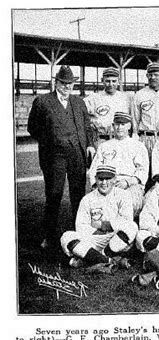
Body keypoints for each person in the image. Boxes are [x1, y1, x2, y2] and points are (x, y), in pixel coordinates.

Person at [27, 65, 94, 251]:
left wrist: (89, 144)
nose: (67, 87)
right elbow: (32, 127)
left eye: (70, 83)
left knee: (78, 195)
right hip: (54, 156)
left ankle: (79, 232)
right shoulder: (42, 101)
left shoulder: (79, 102)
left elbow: (87, 127)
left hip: (76, 154)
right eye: (63, 83)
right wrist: (50, 140)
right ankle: (49, 236)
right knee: (54, 194)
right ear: (56, 82)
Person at [60, 165, 138, 272]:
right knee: (66, 236)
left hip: (115, 238)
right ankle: (108, 260)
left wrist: (103, 225)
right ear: (96, 179)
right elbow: (81, 226)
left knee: (132, 227)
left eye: (108, 179)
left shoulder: (124, 195)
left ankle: (92, 258)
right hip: (95, 238)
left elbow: (126, 221)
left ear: (115, 179)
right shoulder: (87, 199)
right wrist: (98, 232)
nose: (104, 183)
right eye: (101, 179)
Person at [88, 112, 149, 217]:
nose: (120, 127)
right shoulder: (105, 146)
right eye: (117, 124)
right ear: (113, 125)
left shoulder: (138, 146)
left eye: (123, 124)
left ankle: (126, 229)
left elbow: (142, 170)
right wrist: (100, 184)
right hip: (107, 182)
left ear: (129, 126)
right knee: (97, 203)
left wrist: (127, 182)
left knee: (129, 202)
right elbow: (94, 169)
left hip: (129, 184)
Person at [131, 62, 159, 156]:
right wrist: (135, 138)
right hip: (146, 137)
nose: (153, 77)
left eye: (156, 75)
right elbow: (135, 119)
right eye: (150, 75)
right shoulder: (139, 95)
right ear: (147, 76)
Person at [84, 67, 131, 148]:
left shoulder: (126, 98)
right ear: (102, 80)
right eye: (108, 81)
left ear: (119, 81)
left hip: (121, 141)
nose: (111, 84)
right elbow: (84, 119)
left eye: (114, 81)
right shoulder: (93, 98)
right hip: (101, 139)